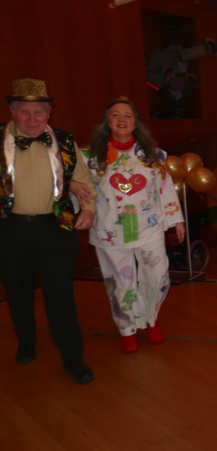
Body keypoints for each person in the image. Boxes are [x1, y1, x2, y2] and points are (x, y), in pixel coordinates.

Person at [0, 78, 96, 384]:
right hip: (10, 230)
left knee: (60, 296)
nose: (32, 119)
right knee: (17, 293)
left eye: (38, 112)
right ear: (13, 112)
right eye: (24, 112)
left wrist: (88, 209)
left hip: (55, 228)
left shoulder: (65, 142)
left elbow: (84, 181)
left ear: (49, 112)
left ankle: (72, 358)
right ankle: (27, 343)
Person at [76, 98, 186, 352]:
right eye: (115, 114)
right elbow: (82, 187)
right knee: (119, 282)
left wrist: (176, 220)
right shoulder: (89, 156)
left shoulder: (153, 155)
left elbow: (165, 186)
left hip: (149, 228)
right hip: (109, 231)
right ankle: (127, 329)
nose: (122, 119)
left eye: (127, 115)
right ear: (107, 121)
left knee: (158, 275)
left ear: (136, 122)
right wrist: (84, 208)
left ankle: (150, 319)